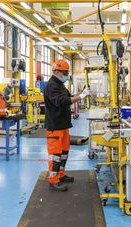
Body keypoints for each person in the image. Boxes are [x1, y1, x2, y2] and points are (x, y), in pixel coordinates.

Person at [44, 60, 90, 191]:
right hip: (55, 126)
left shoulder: (60, 85)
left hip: (63, 125)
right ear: (57, 72)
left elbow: (69, 97)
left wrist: (82, 93)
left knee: (64, 152)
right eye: (65, 72)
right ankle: (53, 180)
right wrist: (81, 97)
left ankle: (60, 175)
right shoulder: (51, 85)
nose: (67, 75)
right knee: (55, 154)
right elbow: (62, 101)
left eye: (67, 72)